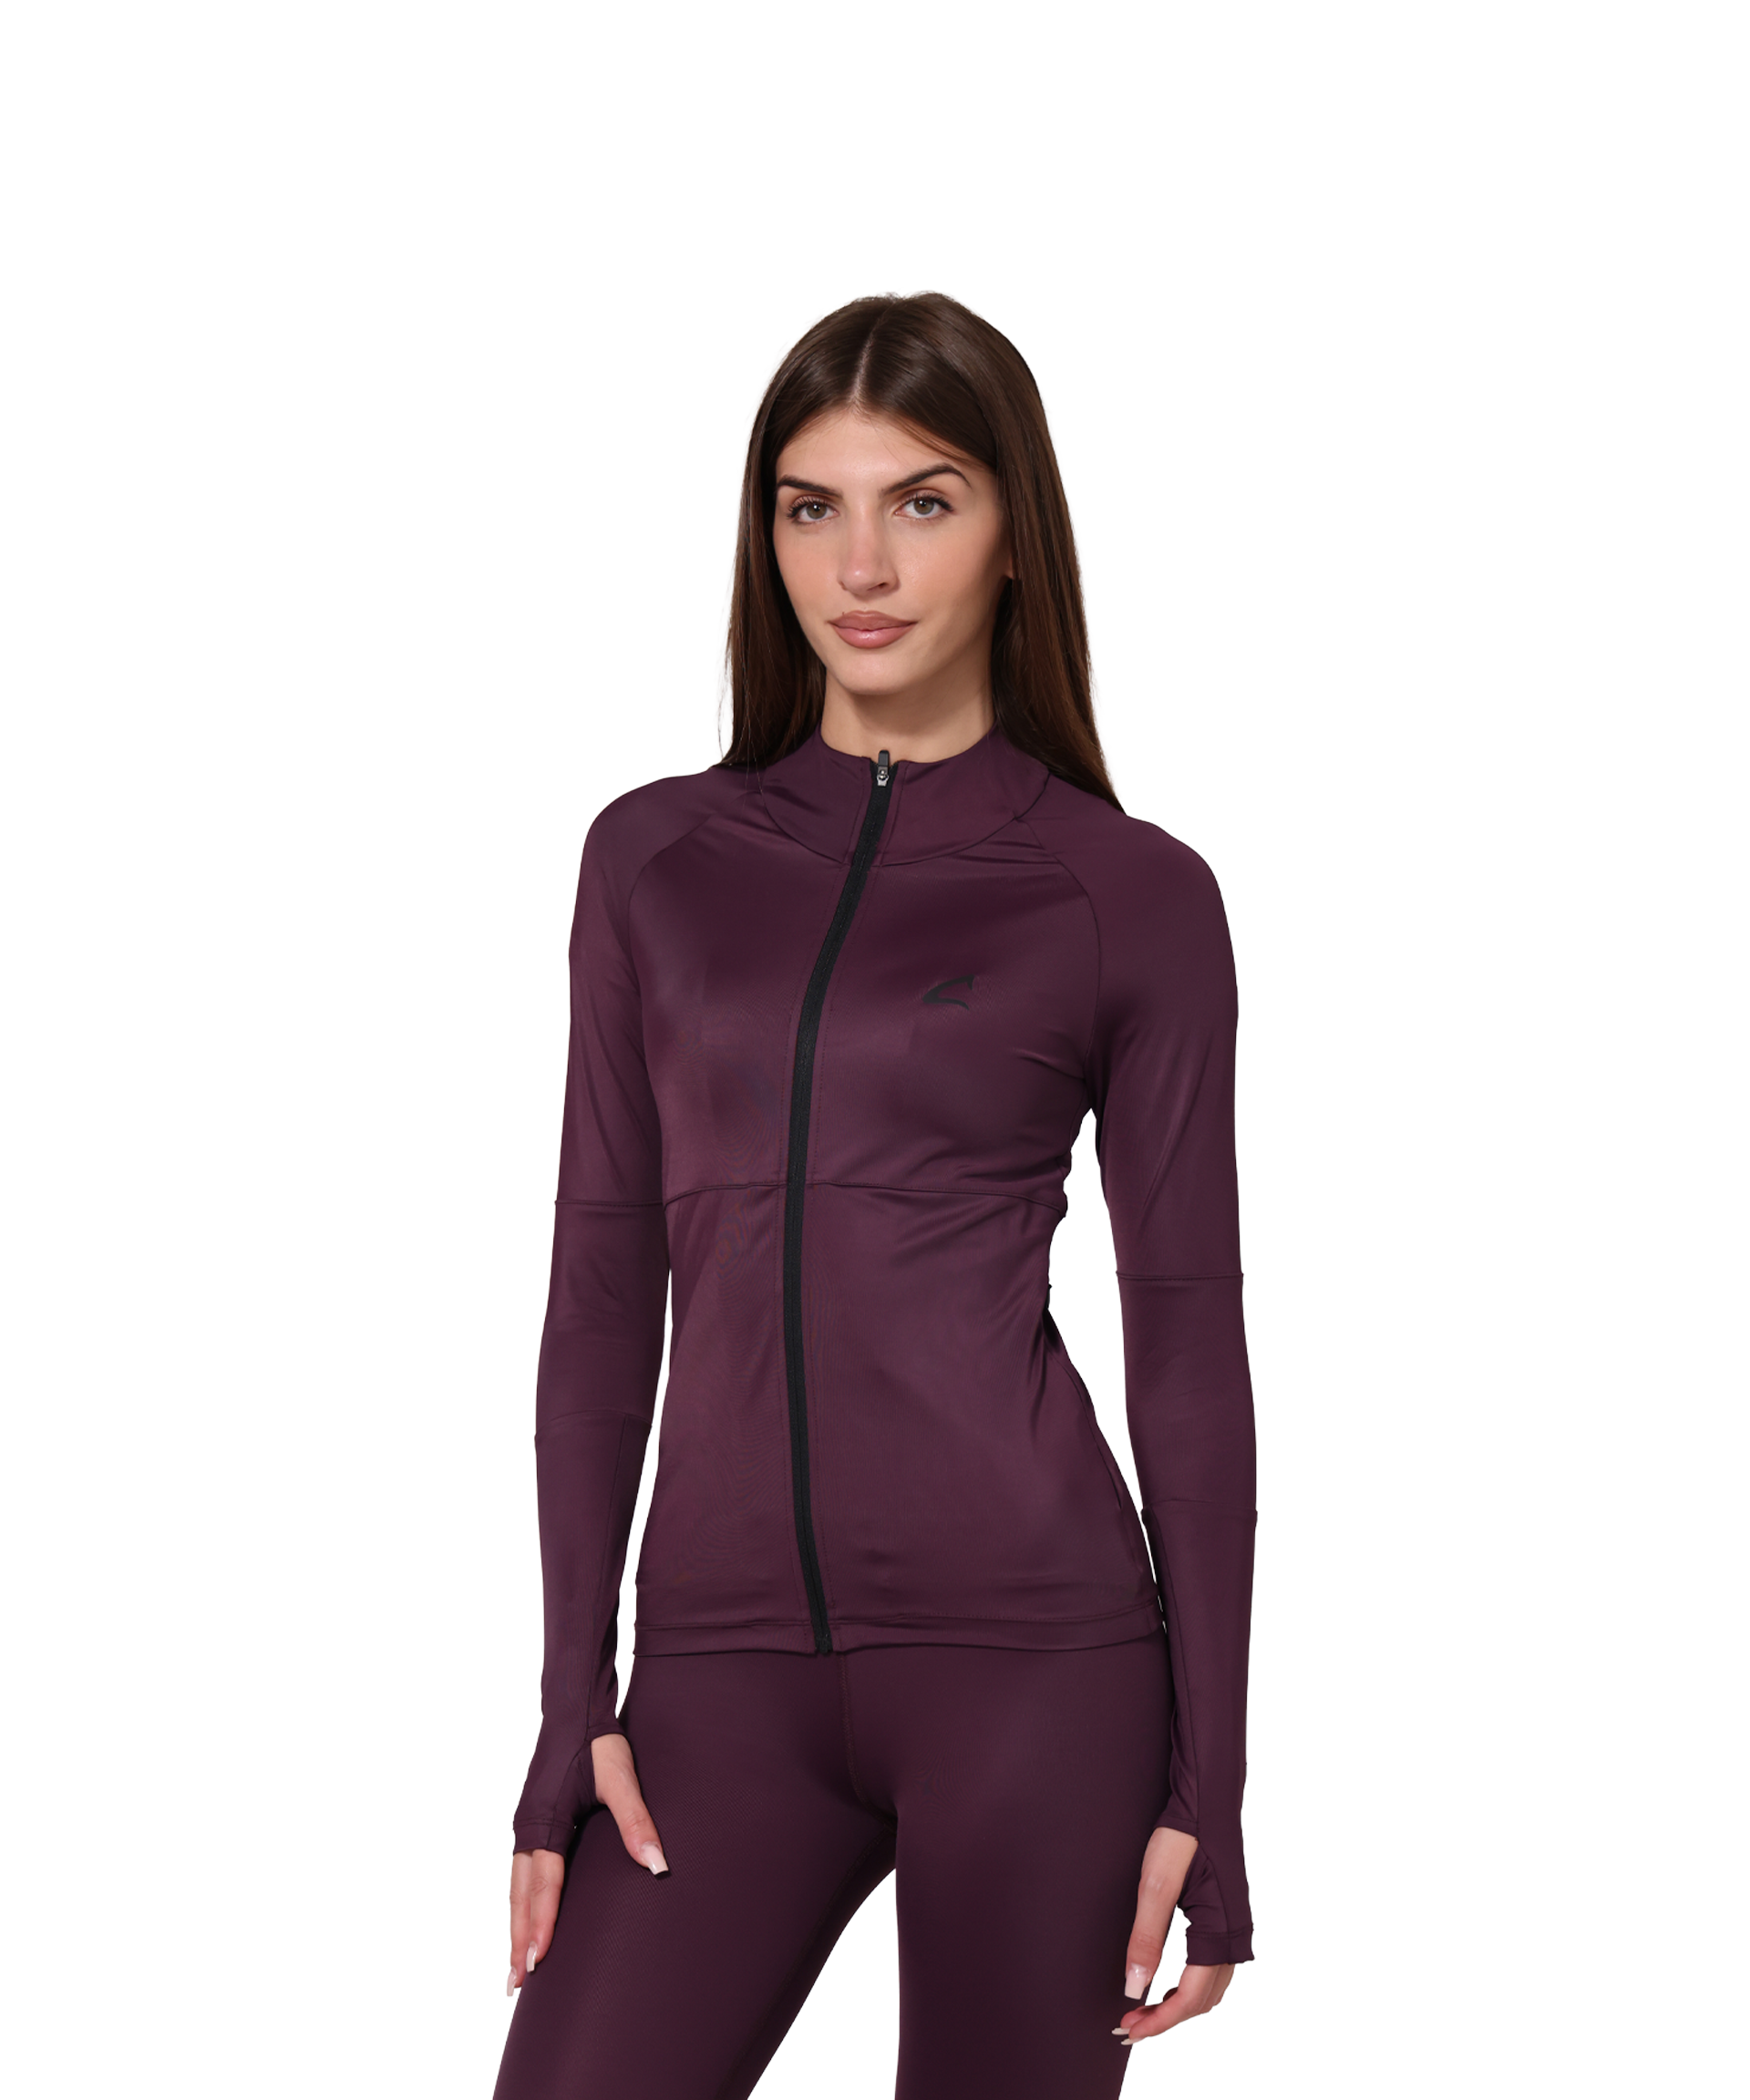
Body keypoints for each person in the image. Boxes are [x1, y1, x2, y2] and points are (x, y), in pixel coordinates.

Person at [491, 290, 1256, 2100]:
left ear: (1014, 532)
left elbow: (1187, 1346)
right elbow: (600, 1293)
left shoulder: (1126, 893)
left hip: (1040, 1667)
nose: (862, 565)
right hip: (716, 1675)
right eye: (809, 506)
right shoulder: (657, 861)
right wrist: (569, 1700)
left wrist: (1210, 1787)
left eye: (922, 501)